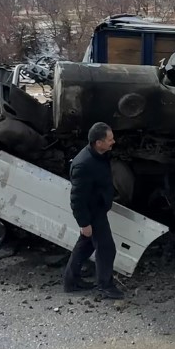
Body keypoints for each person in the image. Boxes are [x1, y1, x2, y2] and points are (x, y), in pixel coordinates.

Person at [64, 122, 123, 299]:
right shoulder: (83, 165)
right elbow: (77, 199)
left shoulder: (99, 154)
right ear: (98, 142)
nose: (113, 142)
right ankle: (105, 286)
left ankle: (71, 281)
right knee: (107, 249)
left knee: (85, 246)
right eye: (110, 139)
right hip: (92, 212)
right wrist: (84, 223)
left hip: (97, 207)